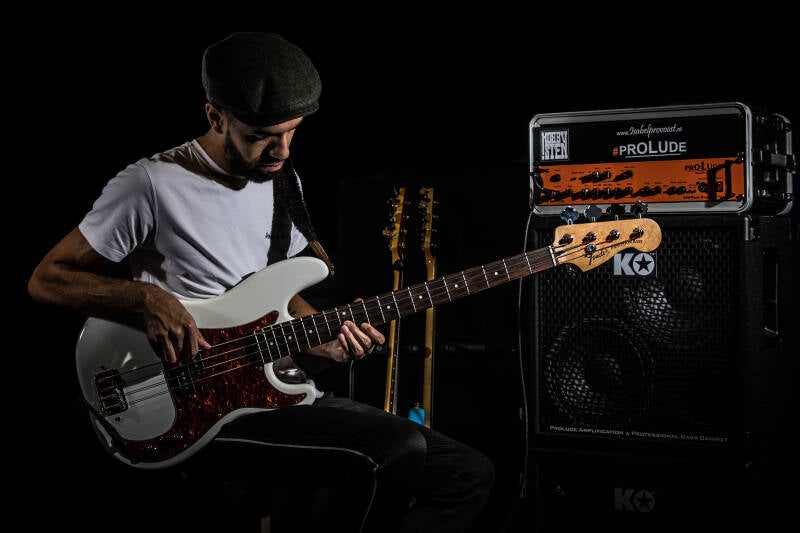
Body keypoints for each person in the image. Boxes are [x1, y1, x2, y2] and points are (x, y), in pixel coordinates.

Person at [27, 31, 494, 532]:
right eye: (261, 136)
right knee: (396, 449)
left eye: (291, 132)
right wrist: (145, 298)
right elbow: (47, 279)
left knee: (467, 473)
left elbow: (278, 294)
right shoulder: (150, 184)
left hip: (274, 386)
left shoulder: (282, 182)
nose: (281, 150)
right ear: (215, 117)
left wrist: (325, 337)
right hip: (193, 402)